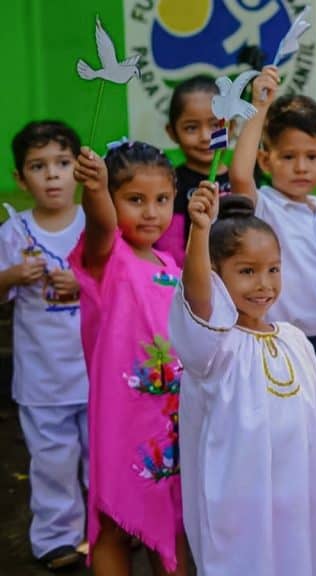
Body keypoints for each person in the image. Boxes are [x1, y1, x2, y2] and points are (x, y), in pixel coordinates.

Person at [170, 190, 316, 575]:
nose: (263, 283)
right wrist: (199, 232)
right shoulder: (215, 349)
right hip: (243, 502)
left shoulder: (294, 338)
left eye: (273, 269)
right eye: (247, 271)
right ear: (217, 278)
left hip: (301, 494)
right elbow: (197, 299)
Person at [71, 140, 188, 574]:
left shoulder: (169, 264)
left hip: (169, 419)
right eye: (134, 200)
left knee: (172, 520)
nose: (150, 212)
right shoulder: (107, 257)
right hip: (121, 420)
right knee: (112, 521)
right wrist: (97, 190)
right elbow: (101, 224)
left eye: (161, 200)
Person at [229, 66, 316, 444]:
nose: (301, 167)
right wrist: (259, 106)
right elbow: (239, 176)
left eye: (312, 156)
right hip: (281, 345)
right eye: (288, 157)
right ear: (266, 162)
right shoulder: (265, 207)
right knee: (288, 441)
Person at [0, 121, 87, 571]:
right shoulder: (12, 235)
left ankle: (108, 531)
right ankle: (57, 537)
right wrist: (13, 276)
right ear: (20, 178)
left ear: (79, 168)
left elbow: (121, 287)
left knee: (103, 460)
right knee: (52, 461)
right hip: (42, 380)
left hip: (97, 373)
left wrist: (83, 282)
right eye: (38, 166)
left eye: (62, 163)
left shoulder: (96, 224)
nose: (52, 175)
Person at [156, 76, 233, 267]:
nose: (205, 137)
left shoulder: (244, 179)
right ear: (172, 132)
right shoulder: (170, 184)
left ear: (231, 128)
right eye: (191, 128)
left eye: (215, 125)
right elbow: (170, 251)